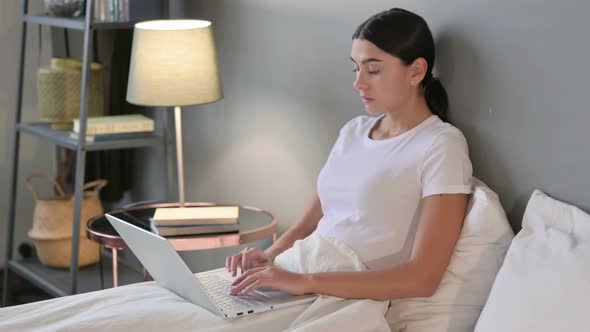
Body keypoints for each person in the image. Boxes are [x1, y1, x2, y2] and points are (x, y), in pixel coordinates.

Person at [226, 8, 473, 301]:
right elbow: (308, 224)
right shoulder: (353, 131)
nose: (359, 82)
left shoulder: (441, 145)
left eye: (374, 69)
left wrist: (302, 281)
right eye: (355, 68)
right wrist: (268, 258)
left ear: (416, 71)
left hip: (336, 295)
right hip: (297, 276)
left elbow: (422, 278)